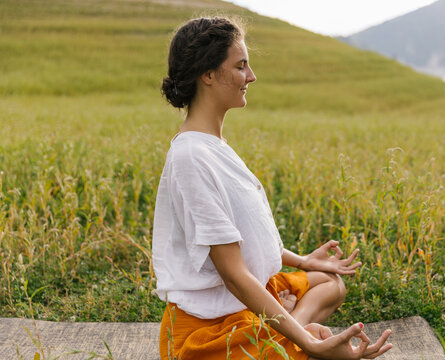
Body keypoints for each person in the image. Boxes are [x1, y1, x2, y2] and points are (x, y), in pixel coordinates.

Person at [152, 16, 393, 360]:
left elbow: (243, 240)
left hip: (245, 302)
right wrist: (311, 344)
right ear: (207, 74)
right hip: (210, 330)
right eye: (240, 66)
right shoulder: (192, 157)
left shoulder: (215, 147)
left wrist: (304, 260)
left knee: (328, 282)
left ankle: (290, 330)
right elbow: (234, 274)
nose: (251, 76)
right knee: (315, 338)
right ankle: (298, 337)